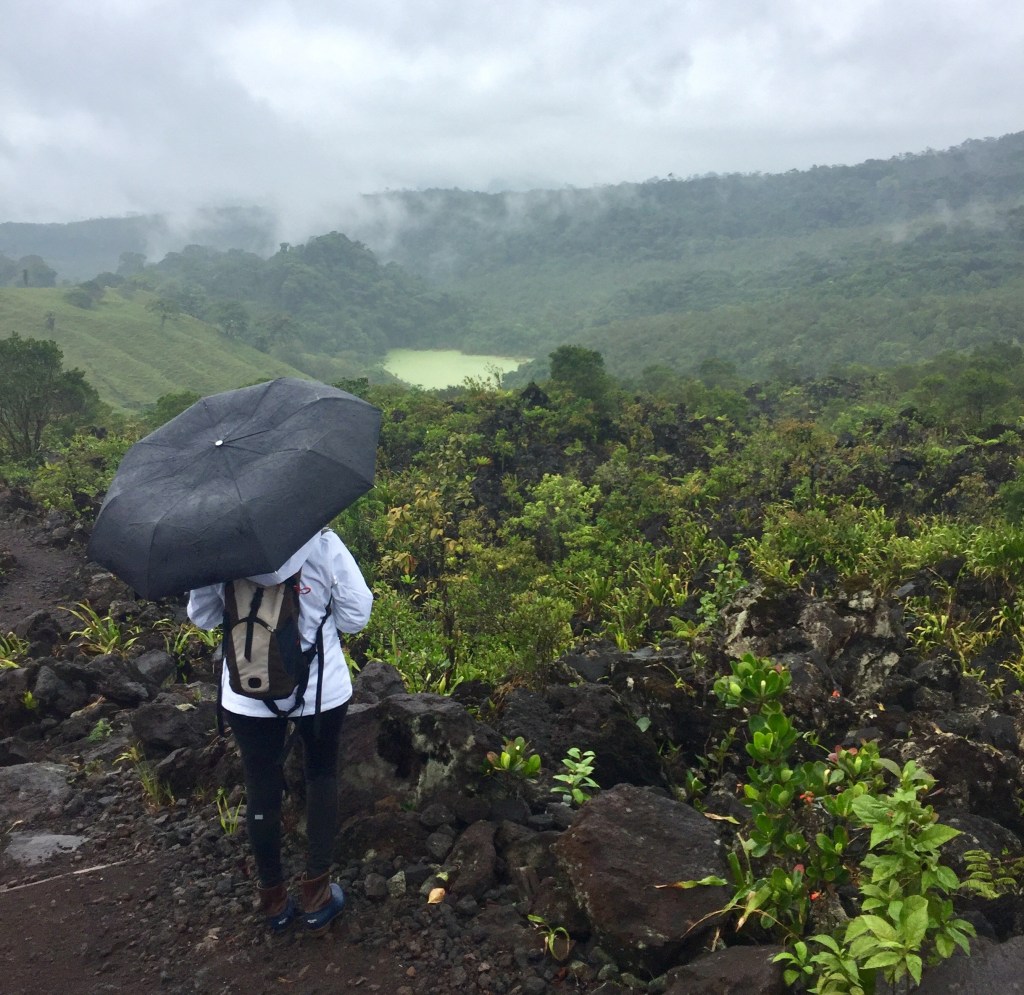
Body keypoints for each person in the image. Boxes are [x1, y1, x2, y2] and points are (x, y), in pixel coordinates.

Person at [187, 527, 372, 934]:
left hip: (247, 695)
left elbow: (200, 617)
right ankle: (317, 896)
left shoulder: (219, 548)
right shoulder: (322, 544)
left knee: (260, 784)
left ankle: (273, 900)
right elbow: (357, 617)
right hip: (320, 691)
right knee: (321, 775)